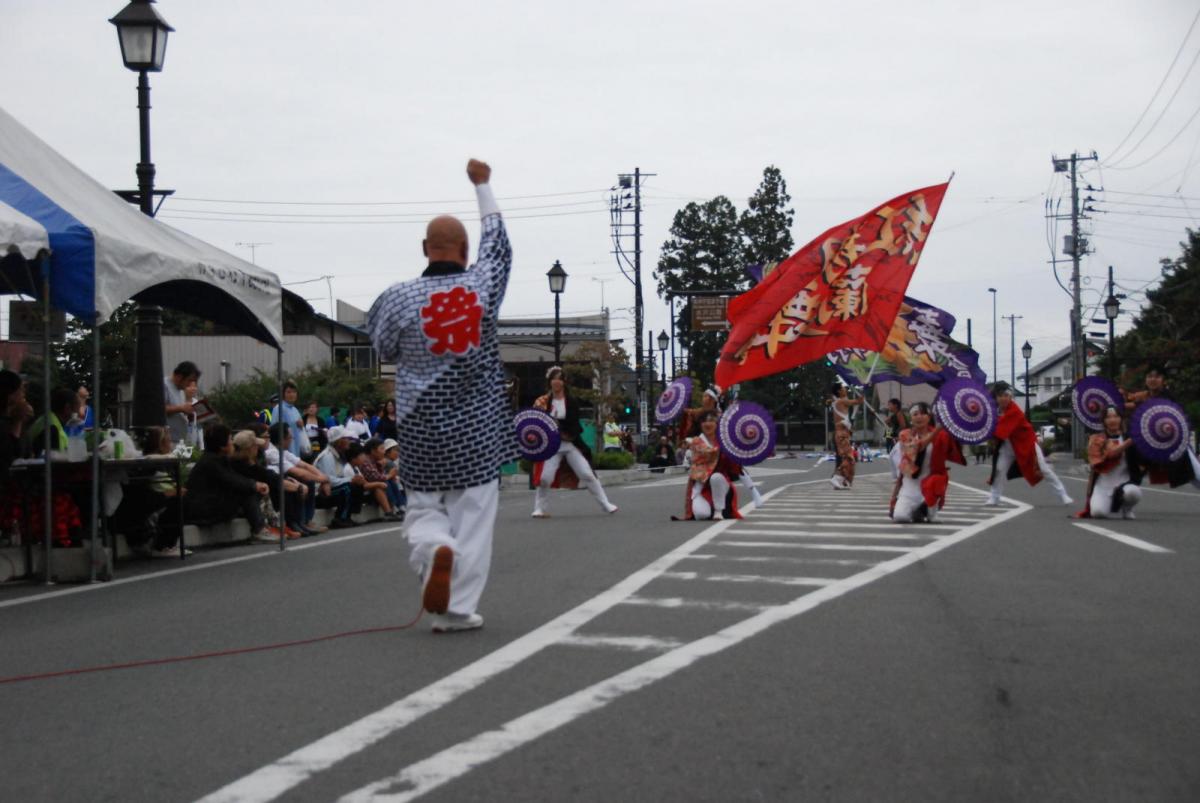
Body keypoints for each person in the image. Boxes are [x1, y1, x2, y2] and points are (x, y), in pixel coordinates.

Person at [366, 158, 513, 634]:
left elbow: (383, 347)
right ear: (465, 250)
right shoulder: (481, 285)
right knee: (474, 521)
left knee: (425, 509)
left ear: (425, 248)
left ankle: (432, 550)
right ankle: (457, 611)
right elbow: (500, 246)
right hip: (476, 432)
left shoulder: (396, 298)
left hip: (420, 429)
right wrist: (483, 187)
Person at [531, 366, 619, 518]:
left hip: (571, 444)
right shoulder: (544, 401)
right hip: (552, 446)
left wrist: (563, 430)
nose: (556, 382)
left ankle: (606, 504)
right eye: (554, 378)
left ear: (564, 382)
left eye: (559, 378)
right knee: (545, 478)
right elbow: (537, 422)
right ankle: (539, 508)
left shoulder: (571, 401)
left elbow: (575, 425)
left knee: (587, 474)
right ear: (549, 382)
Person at [986, 382, 1072, 506]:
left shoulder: (1014, 411)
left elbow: (999, 431)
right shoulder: (994, 411)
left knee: (1044, 469)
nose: (1003, 398)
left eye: (1006, 395)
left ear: (1010, 397)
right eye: (1000, 396)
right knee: (999, 470)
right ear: (996, 397)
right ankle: (994, 497)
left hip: (1026, 444)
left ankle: (1062, 493)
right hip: (1008, 446)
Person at [109, 426, 188, 557]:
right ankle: (162, 545)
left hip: (136, 516)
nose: (171, 444)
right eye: (168, 441)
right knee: (180, 502)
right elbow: (146, 498)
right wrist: (169, 493)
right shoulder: (151, 466)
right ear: (161, 445)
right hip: (137, 522)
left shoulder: (144, 464)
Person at [185, 423, 270, 539]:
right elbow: (232, 480)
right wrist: (254, 485)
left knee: (249, 489)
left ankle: (260, 525)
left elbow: (234, 478)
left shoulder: (217, 459)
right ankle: (259, 529)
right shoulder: (211, 462)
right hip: (202, 511)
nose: (232, 443)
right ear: (222, 446)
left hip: (209, 505)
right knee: (247, 492)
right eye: (230, 439)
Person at [1123, 364, 1200, 488]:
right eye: (1149, 376)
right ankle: (1132, 481)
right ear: (1145, 379)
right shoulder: (1144, 396)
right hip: (1152, 444)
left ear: (1163, 380)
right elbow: (1130, 403)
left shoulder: (1169, 398)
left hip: (1174, 444)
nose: (1153, 379)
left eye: (1157, 377)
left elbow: (1181, 419)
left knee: (1195, 473)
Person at [888, 402, 965, 523]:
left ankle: (926, 509)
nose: (919, 417)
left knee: (932, 516)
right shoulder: (905, 435)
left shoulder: (941, 435)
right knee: (900, 517)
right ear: (911, 418)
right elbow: (917, 448)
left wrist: (954, 426)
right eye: (915, 414)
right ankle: (917, 512)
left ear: (929, 417)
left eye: (923, 414)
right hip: (910, 487)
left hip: (930, 487)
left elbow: (953, 450)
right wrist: (893, 497)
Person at [230, 430, 302, 540]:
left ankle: (278, 525)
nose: (258, 448)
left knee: (269, 488)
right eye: (255, 446)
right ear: (249, 448)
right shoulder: (238, 464)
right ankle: (266, 527)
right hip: (235, 503)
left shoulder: (249, 461)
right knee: (261, 490)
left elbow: (267, 475)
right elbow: (267, 476)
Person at [674, 410, 741, 520]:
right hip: (701, 485)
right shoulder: (696, 442)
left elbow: (734, 464)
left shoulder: (725, 442)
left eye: (711, 421)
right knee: (701, 514)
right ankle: (711, 507)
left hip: (721, 484)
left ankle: (719, 511)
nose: (707, 424)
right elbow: (705, 453)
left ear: (717, 424)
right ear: (700, 424)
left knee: (716, 477)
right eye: (704, 421)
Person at [264, 422, 330, 534]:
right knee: (301, 482)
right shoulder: (271, 453)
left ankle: (306, 521)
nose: (292, 439)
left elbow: (305, 465)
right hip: (274, 485)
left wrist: (323, 479)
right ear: (282, 439)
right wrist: (323, 479)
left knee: (307, 481)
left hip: (282, 481)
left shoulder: (282, 451)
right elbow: (298, 472)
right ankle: (295, 522)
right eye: (290, 437)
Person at [1084, 405, 1143, 520]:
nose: (1112, 420)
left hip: (1125, 483)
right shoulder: (1096, 439)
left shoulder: (1128, 437)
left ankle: (1127, 508)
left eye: (1116, 416)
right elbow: (1110, 453)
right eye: (1108, 417)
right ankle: (1108, 503)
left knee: (1133, 493)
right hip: (1103, 485)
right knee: (1098, 513)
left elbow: (1142, 459)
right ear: (1104, 421)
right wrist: (1130, 441)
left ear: (1121, 419)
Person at [313, 425, 362, 529]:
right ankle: (340, 518)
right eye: (346, 438)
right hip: (321, 494)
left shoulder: (340, 455)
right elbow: (330, 480)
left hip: (333, 490)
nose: (349, 441)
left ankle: (348, 517)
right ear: (339, 442)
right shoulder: (327, 456)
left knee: (356, 485)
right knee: (347, 487)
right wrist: (351, 479)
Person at [352, 438, 403, 520]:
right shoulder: (365, 461)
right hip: (362, 488)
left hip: (370, 486)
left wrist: (382, 468)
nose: (384, 452)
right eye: (382, 449)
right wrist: (390, 474)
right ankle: (391, 511)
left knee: (390, 481)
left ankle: (401, 507)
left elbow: (380, 475)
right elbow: (376, 477)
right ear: (373, 451)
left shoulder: (377, 460)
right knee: (382, 483)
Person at [828, 383, 863, 490]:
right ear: (839, 391)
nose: (845, 389)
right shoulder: (841, 401)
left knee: (848, 458)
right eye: (843, 388)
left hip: (842, 433)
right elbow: (858, 401)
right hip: (842, 434)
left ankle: (844, 481)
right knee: (849, 458)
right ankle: (837, 477)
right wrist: (863, 392)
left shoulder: (837, 402)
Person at [28, 387, 80, 456]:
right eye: (77, 410)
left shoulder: (48, 420)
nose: (78, 414)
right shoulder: (52, 429)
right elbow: (52, 462)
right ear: (67, 408)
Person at [0, 369, 31, 483]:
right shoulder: (8, 424)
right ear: (10, 395)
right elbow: (10, 457)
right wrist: (18, 422)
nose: (24, 395)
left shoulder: (18, 420)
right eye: (21, 390)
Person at [164, 361, 201, 445]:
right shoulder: (164, 385)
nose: (190, 384)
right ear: (179, 377)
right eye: (189, 380)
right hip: (169, 441)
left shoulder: (181, 389)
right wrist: (181, 408)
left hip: (181, 440)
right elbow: (158, 408)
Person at [271, 380, 307, 458]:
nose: (292, 394)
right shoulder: (279, 408)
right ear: (283, 394)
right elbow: (274, 430)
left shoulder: (295, 410)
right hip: (284, 454)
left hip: (295, 451)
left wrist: (300, 425)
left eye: (294, 392)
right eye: (289, 392)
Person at [381, 437, 407, 515]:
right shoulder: (389, 462)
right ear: (387, 452)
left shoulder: (393, 461)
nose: (397, 453)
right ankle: (398, 505)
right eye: (395, 450)